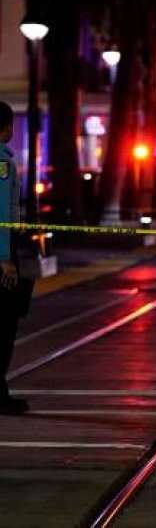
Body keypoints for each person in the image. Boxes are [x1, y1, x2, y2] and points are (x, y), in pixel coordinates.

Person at [0, 101, 29, 415]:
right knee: (4, 326)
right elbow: (2, 212)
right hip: (1, 256)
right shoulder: (3, 163)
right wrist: (5, 257)